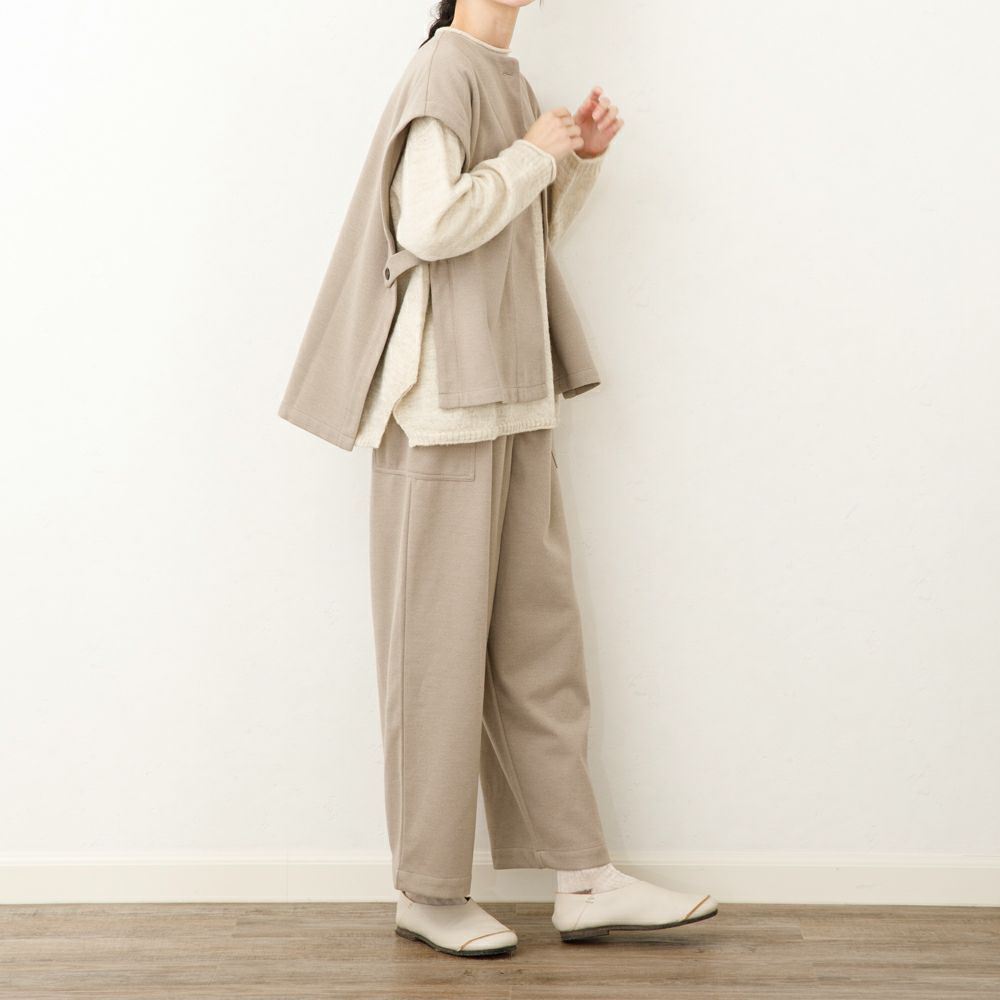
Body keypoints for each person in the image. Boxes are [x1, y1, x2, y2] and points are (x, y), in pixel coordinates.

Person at [306, 0, 719, 958]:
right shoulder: (442, 70)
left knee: (542, 653)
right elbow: (429, 223)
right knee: (435, 661)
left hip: (516, 399)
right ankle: (427, 891)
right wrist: (534, 154)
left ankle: (585, 877)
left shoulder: (508, 76)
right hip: (441, 412)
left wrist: (573, 164)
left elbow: (516, 242)